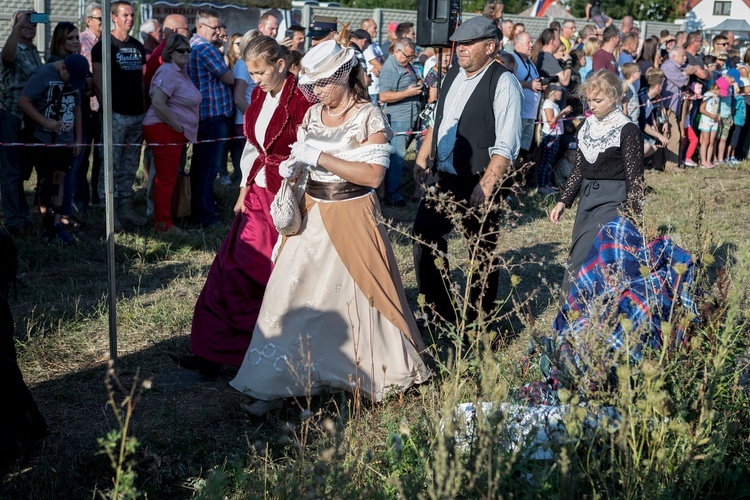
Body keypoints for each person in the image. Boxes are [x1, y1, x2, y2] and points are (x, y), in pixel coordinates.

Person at [230, 38, 429, 414]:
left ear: (343, 76)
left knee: (361, 296)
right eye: (313, 85)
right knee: (289, 296)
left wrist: (320, 155)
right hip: (312, 212)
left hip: (353, 214)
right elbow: (301, 158)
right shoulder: (312, 115)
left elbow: (372, 176)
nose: (316, 91)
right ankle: (276, 382)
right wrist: (295, 169)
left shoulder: (368, 116)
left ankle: (377, 375)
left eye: (323, 83)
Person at [184, 36, 310, 376]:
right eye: (250, 73)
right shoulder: (257, 95)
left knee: (253, 272)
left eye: (259, 72)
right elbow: (253, 149)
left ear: (280, 65)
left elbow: (310, 151)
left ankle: (252, 350)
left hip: (284, 196)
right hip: (256, 193)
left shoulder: (302, 98)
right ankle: (211, 349)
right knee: (227, 268)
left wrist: (293, 187)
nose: (254, 80)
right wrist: (242, 189)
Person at [412, 16, 523, 325]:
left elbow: (507, 142)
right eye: (458, 42)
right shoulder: (450, 77)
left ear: (491, 47)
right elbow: (439, 122)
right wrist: (422, 159)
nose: (459, 48)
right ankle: (438, 311)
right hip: (444, 177)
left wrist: (487, 184)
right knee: (424, 234)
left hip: (479, 180)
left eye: (468, 43)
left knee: (480, 252)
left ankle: (479, 322)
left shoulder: (504, 82)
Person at [550, 70, 644, 297]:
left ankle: (571, 307)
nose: (592, 105)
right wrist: (563, 201)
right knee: (577, 251)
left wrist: (635, 214)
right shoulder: (585, 128)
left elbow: (635, 177)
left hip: (614, 199)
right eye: (589, 100)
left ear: (614, 97)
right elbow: (579, 169)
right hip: (588, 197)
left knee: (589, 252)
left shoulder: (627, 130)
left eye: (598, 100)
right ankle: (579, 308)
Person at [18, 54, 88, 244]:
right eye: (70, 78)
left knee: (60, 178)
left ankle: (56, 224)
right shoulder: (42, 74)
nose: (72, 83)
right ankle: (46, 224)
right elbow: (24, 101)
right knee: (45, 181)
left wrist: (78, 139)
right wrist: (45, 122)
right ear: (64, 68)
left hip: (66, 140)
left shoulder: (75, 78)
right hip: (44, 139)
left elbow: (77, 108)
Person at [92, 0, 148, 230]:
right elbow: (98, 80)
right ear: (114, 17)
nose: (130, 19)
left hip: (136, 114)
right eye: (125, 15)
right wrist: (108, 110)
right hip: (115, 113)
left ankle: (125, 206)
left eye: (132, 15)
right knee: (111, 164)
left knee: (129, 163)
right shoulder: (104, 45)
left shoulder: (136, 45)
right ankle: (109, 211)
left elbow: (142, 80)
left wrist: (144, 108)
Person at [142, 35, 201, 234]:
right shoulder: (168, 71)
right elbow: (158, 102)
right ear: (170, 53)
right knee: (165, 180)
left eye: (188, 50)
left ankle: (165, 219)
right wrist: (176, 126)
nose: (185, 54)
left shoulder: (180, 72)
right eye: (180, 50)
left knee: (167, 179)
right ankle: (163, 225)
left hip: (172, 132)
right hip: (164, 130)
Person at [188, 8, 235, 228]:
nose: (218, 32)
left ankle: (202, 209)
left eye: (219, 27)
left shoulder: (197, 46)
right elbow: (228, 78)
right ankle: (205, 216)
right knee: (208, 169)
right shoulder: (205, 48)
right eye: (214, 28)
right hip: (212, 116)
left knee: (203, 166)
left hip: (207, 115)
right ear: (200, 27)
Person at [0, 10, 42, 237]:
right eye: (24, 22)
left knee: (23, 170)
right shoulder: (13, 47)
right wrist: (16, 28)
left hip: (30, 117)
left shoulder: (34, 51)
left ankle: (23, 214)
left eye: (33, 22)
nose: (30, 25)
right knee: (11, 171)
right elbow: (6, 58)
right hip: (12, 115)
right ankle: (14, 220)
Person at [379, 37, 423, 206]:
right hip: (398, 118)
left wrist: (417, 83)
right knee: (397, 157)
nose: (409, 59)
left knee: (401, 156)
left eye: (412, 57)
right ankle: (393, 195)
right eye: (407, 56)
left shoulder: (404, 65)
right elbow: (384, 96)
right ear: (397, 51)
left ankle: (394, 192)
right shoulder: (390, 67)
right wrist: (408, 93)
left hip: (410, 116)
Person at [76, 3, 104, 211]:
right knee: (84, 155)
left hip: (101, 106)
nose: (103, 23)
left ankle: (98, 194)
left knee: (102, 156)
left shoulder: (106, 42)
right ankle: (81, 198)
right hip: (86, 106)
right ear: (89, 21)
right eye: (100, 19)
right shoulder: (80, 42)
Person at [513, 32, 544, 163]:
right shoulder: (513, 59)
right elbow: (508, 82)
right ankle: (508, 179)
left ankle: (520, 178)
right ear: (518, 43)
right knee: (515, 147)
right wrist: (529, 84)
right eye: (528, 42)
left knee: (525, 149)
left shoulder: (530, 62)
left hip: (531, 113)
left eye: (532, 42)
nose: (532, 45)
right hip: (520, 113)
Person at [539, 84, 572, 194]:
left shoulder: (553, 104)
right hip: (550, 136)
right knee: (545, 162)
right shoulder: (548, 104)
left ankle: (547, 184)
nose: (561, 94)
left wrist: (564, 113)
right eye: (560, 92)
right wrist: (562, 113)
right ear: (554, 92)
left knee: (550, 162)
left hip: (555, 135)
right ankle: (541, 185)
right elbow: (551, 121)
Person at [697, 78, 723, 168]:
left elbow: (716, 108)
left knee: (712, 142)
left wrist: (718, 115)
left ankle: (709, 161)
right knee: (705, 141)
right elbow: (701, 109)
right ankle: (703, 161)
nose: (722, 93)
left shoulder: (718, 97)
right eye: (721, 91)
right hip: (706, 121)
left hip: (714, 122)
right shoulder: (707, 95)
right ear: (716, 87)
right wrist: (711, 116)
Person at [361, 19, 384, 106]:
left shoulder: (375, 45)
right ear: (366, 30)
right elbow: (378, 65)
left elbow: (383, 62)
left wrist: (379, 67)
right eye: (374, 28)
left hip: (379, 88)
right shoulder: (366, 46)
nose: (377, 30)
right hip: (372, 90)